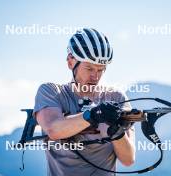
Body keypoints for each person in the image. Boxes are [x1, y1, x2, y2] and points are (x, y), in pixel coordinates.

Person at [33, 28, 135, 176]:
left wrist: (117, 132)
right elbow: (54, 129)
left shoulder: (116, 97)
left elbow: (128, 160)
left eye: (101, 70)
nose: (95, 76)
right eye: (89, 68)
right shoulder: (51, 92)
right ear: (70, 62)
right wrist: (94, 114)